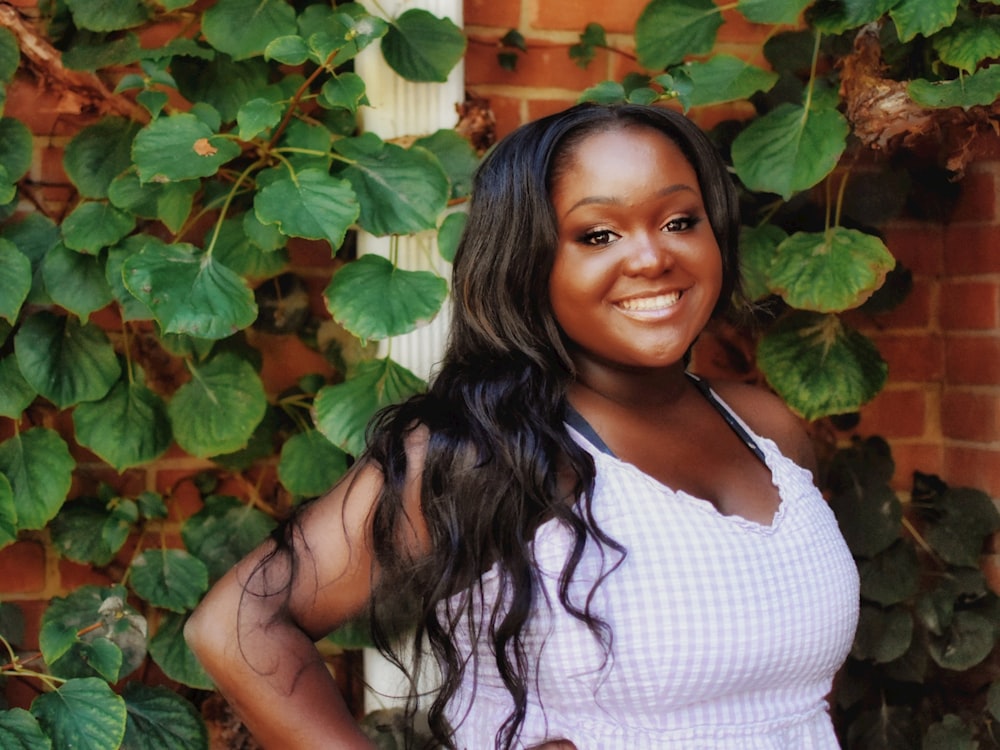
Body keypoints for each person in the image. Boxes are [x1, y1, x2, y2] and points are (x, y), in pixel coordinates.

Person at [185, 102, 860, 750]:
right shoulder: (490, 449)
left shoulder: (769, 431)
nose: (653, 257)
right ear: (528, 261)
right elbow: (237, 626)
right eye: (598, 234)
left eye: (680, 221)